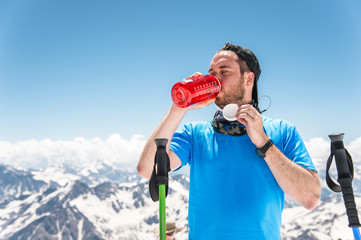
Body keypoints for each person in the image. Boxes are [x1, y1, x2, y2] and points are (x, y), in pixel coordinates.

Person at [138, 43, 321, 239]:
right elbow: (148, 169)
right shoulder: (195, 133)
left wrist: (264, 143)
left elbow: (310, 197)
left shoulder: (283, 131)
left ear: (248, 78)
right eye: (212, 72)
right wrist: (179, 107)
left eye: (224, 71)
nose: (216, 78)